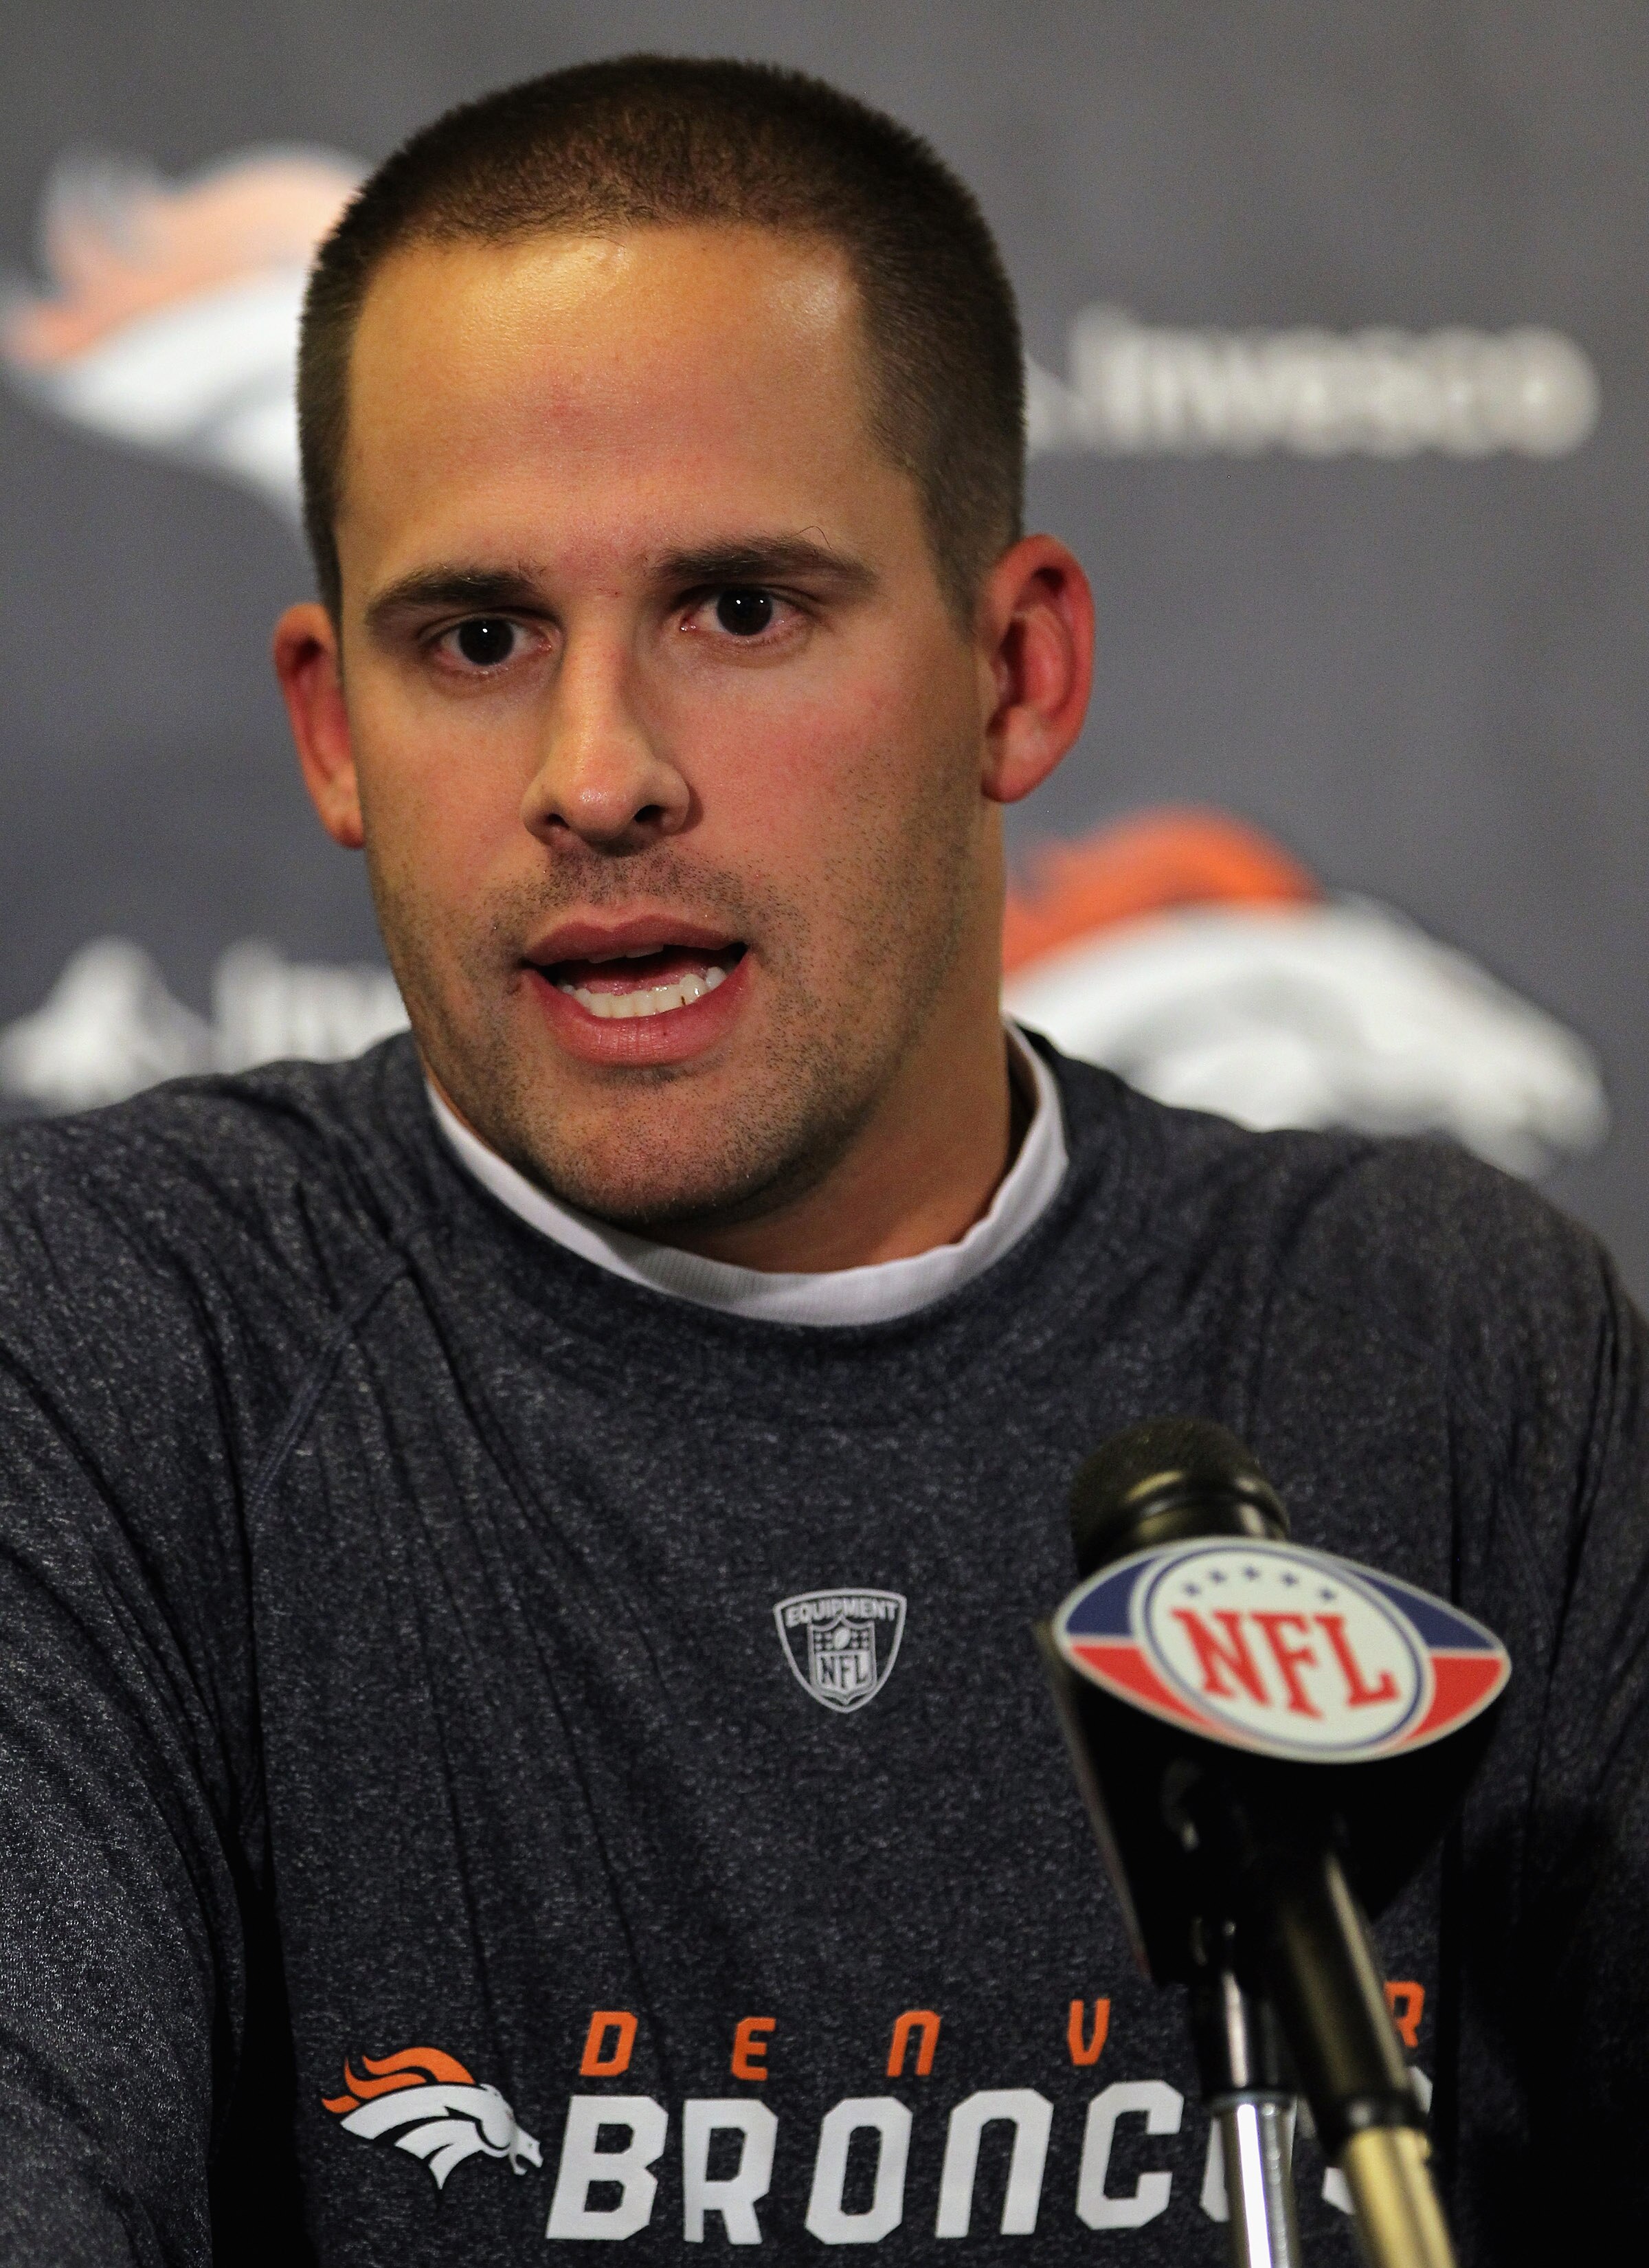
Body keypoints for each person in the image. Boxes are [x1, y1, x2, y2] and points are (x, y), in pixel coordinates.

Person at [0, 56, 1642, 2267]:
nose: (598, 775)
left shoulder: (1453, 1349)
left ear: (1015, 667)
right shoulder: (116, 1349)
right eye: (478, 640)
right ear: (331, 731)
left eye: (740, 611)